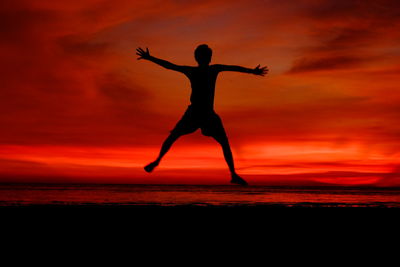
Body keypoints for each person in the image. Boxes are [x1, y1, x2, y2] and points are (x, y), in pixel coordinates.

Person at [136, 44, 268, 185]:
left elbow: (171, 66)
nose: (206, 58)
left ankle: (233, 174)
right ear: (206, 58)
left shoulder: (203, 70)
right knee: (178, 137)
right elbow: (170, 66)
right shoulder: (207, 70)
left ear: (199, 58)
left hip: (204, 114)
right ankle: (233, 174)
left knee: (216, 142)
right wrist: (150, 58)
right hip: (197, 113)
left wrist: (150, 58)